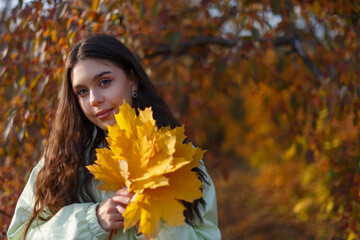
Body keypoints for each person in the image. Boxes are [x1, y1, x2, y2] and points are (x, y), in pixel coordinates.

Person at [7, 34, 221, 240]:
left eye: (104, 82)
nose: (94, 99)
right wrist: (93, 221)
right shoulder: (61, 162)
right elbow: (21, 235)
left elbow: (206, 235)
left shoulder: (179, 156)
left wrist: (155, 221)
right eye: (82, 91)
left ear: (132, 80)